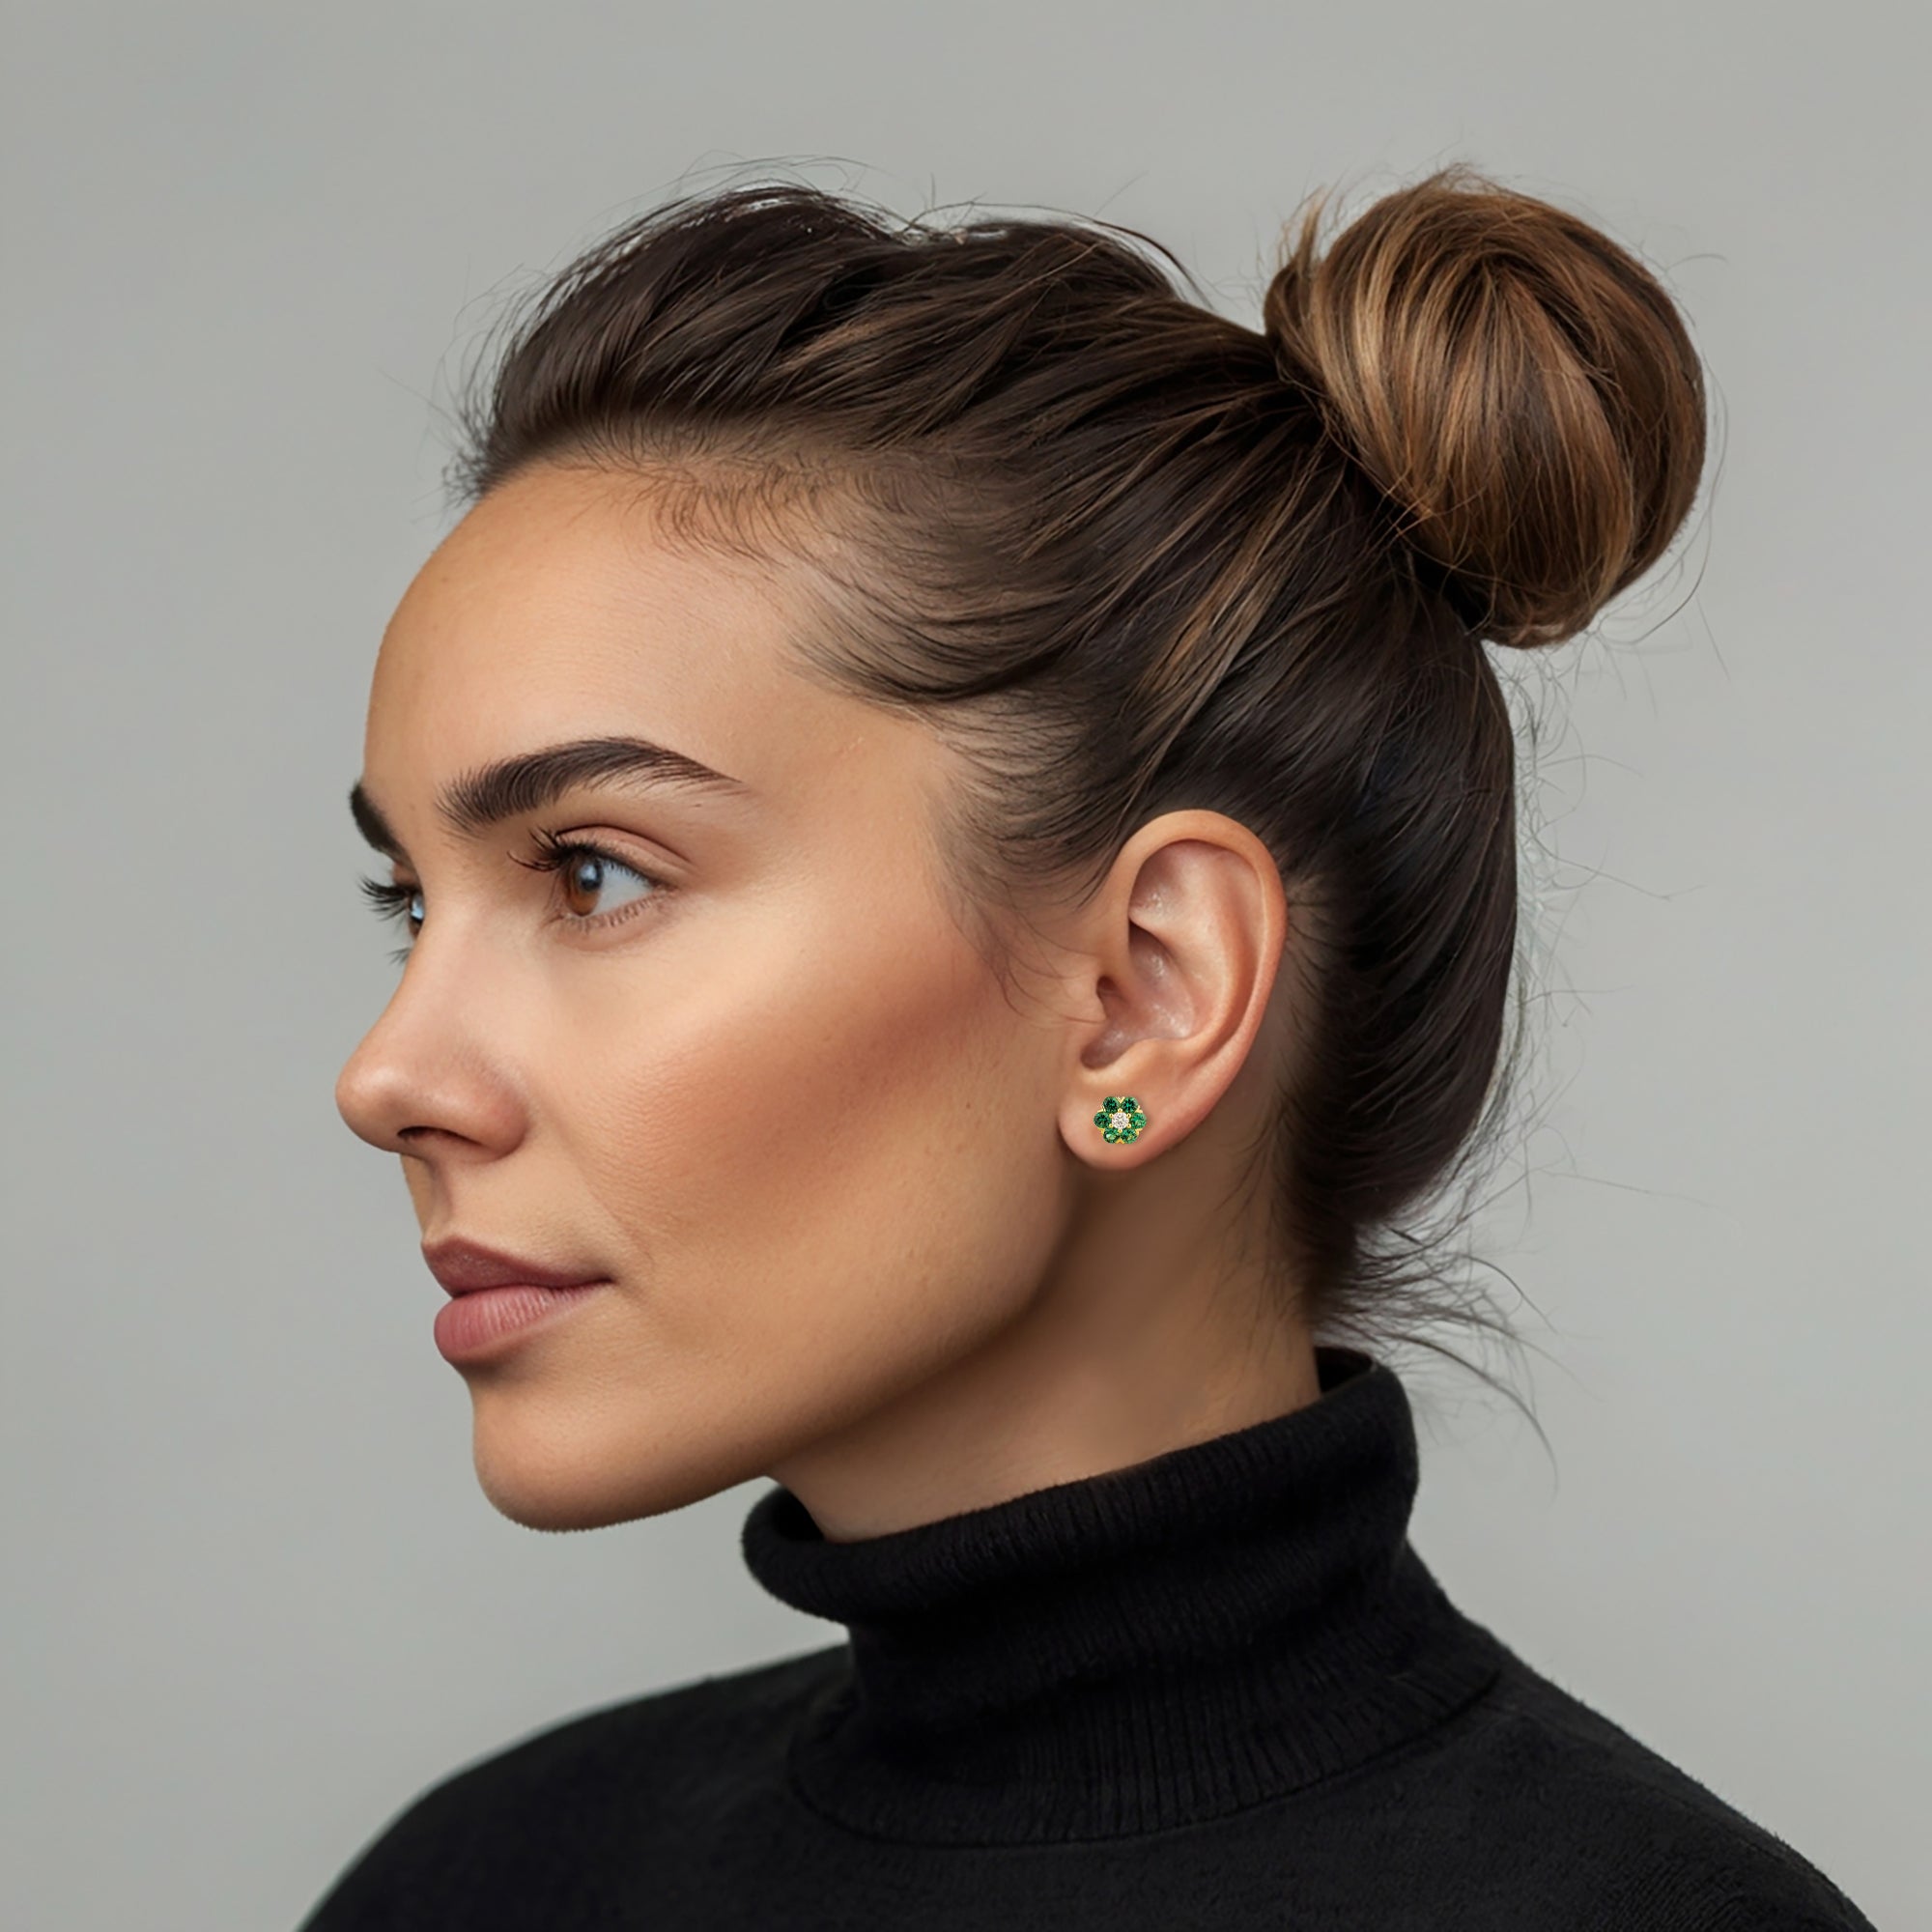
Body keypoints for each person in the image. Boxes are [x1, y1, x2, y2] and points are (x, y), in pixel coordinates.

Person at [305, 163, 1876, 1927]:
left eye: (592, 873)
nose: (389, 1079)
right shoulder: (480, 1890)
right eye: (411, 904)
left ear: (1149, 988)